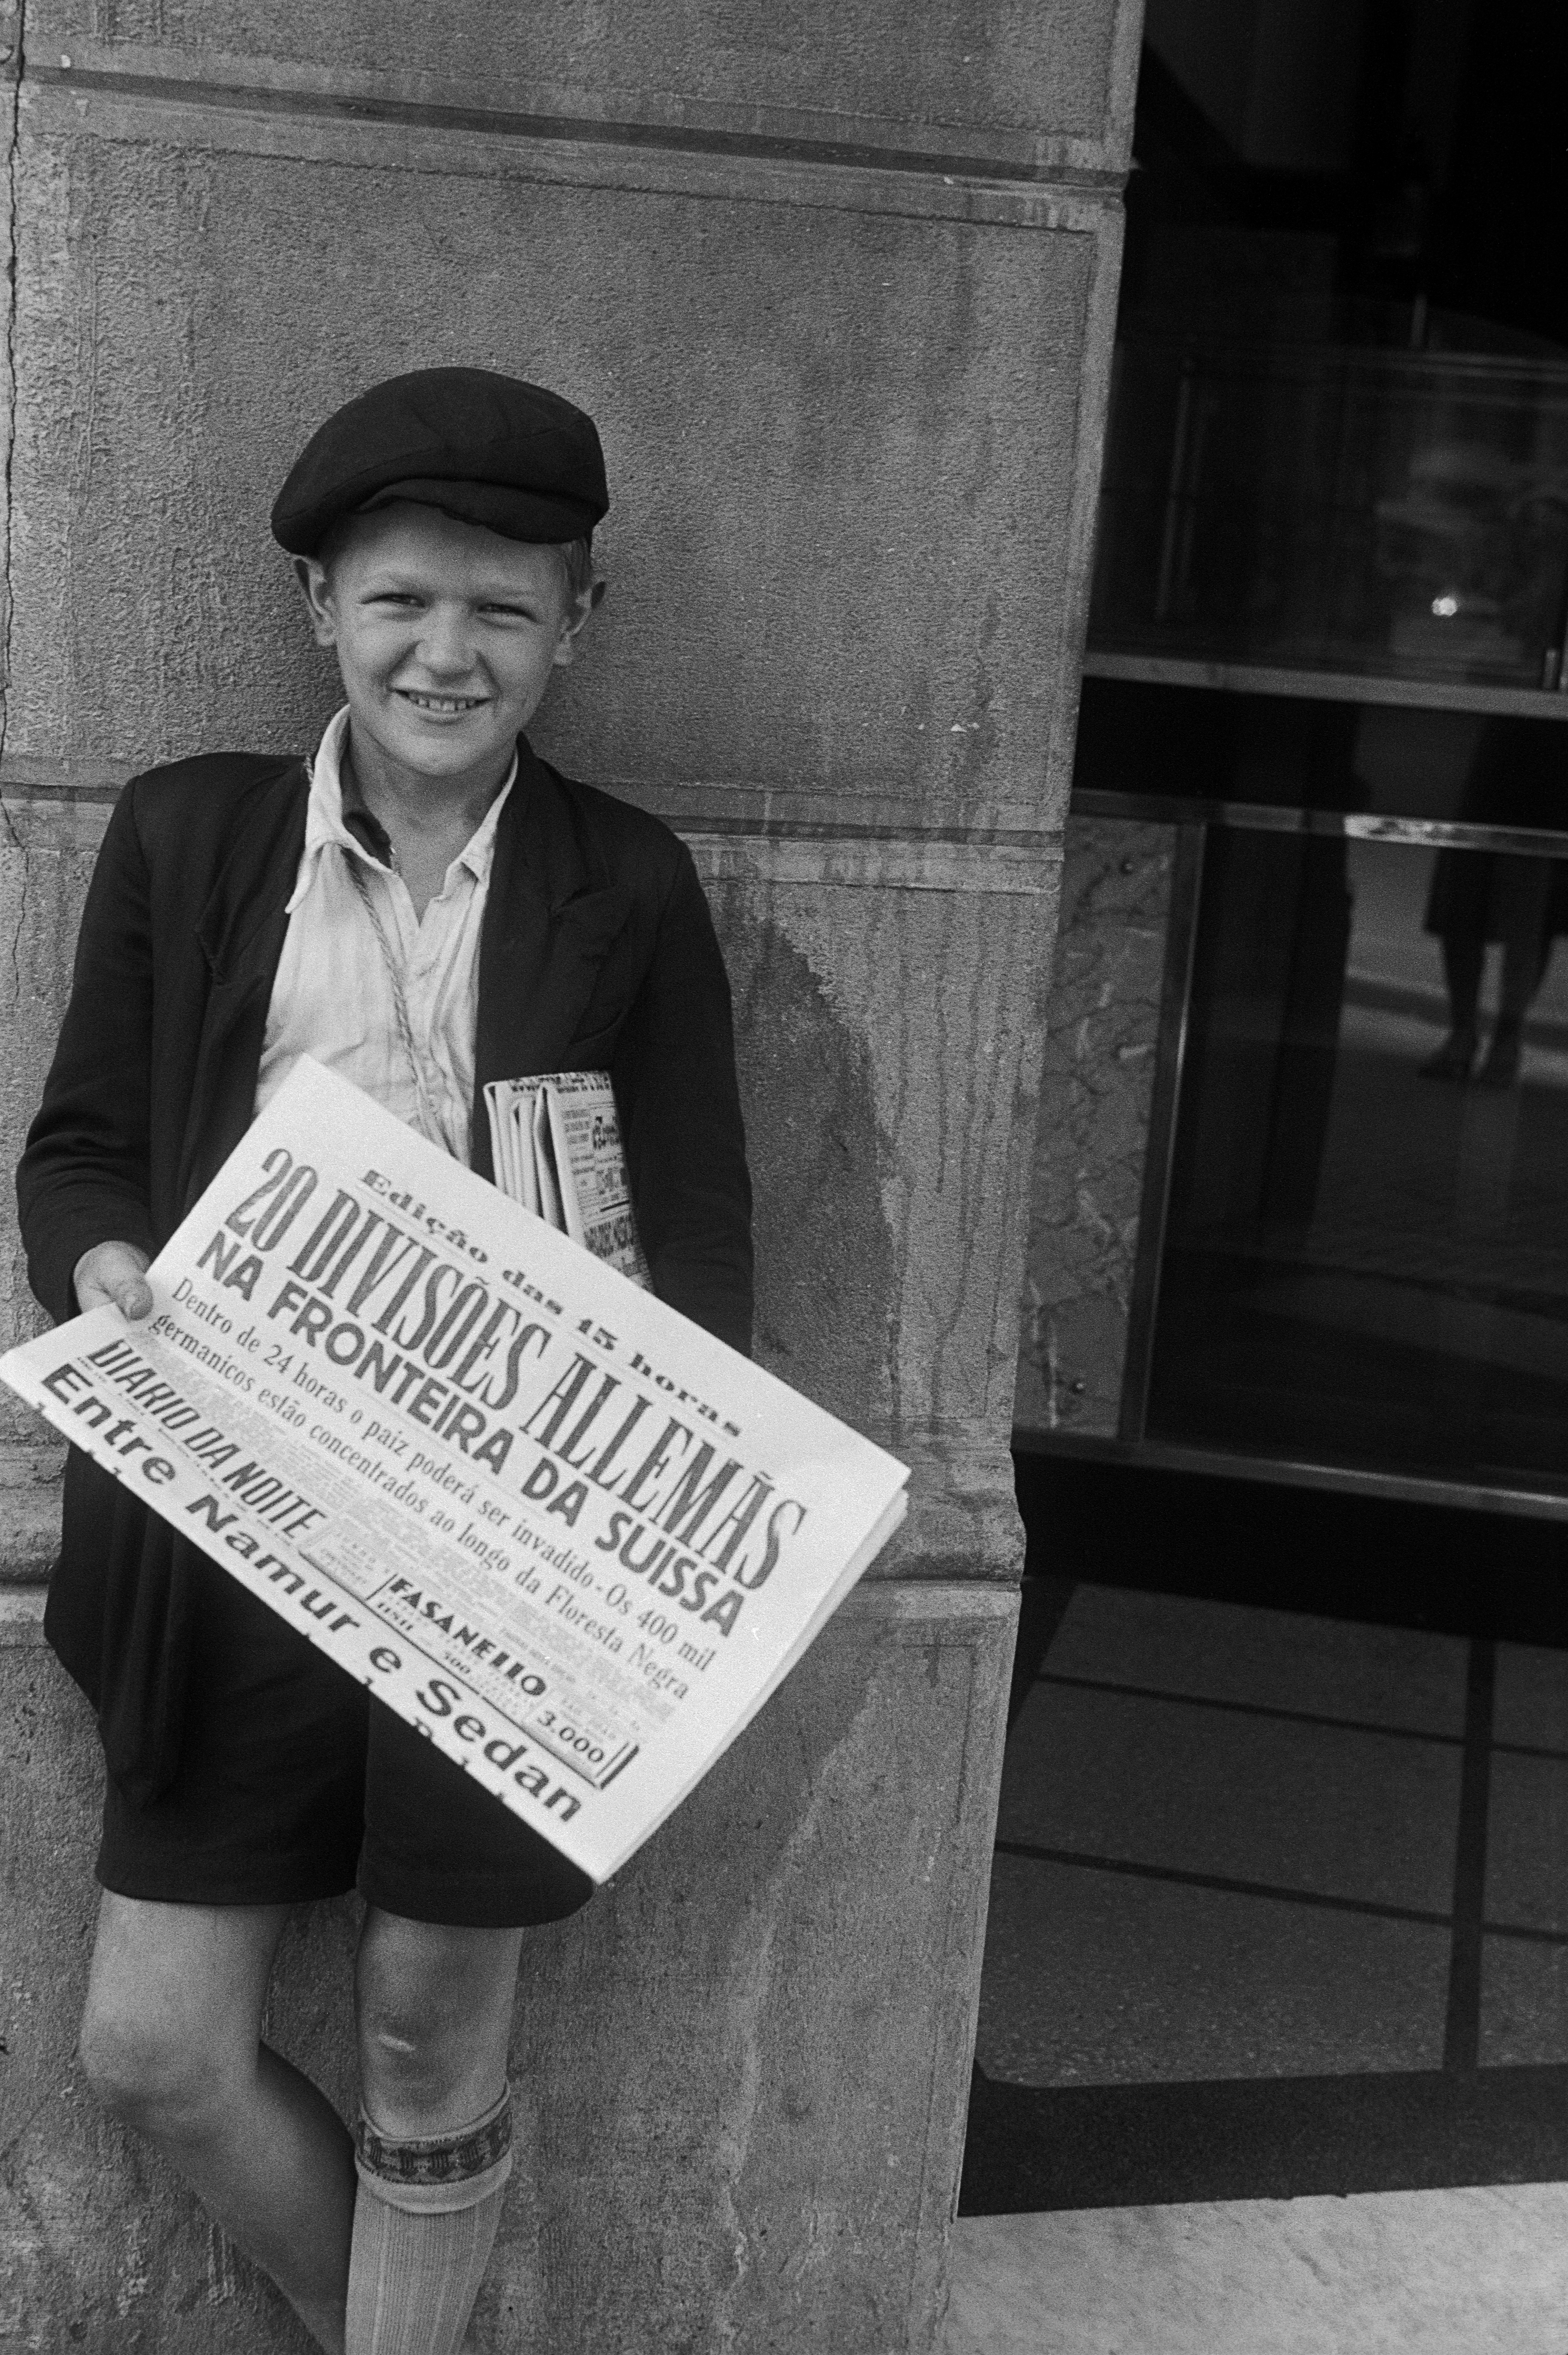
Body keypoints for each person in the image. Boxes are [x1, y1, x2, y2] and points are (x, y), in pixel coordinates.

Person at [16, 367, 753, 2354]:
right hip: (226, 1523)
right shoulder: (189, 834)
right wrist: (98, 1265)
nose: (449, 652)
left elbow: (705, 1248)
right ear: (319, 609)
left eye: (504, 609)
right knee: (155, 2047)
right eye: (402, 599)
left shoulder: (627, 880)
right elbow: (80, 1147)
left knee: (431, 2033)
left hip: (503, 1558)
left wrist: (631, 1409)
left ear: (577, 623)